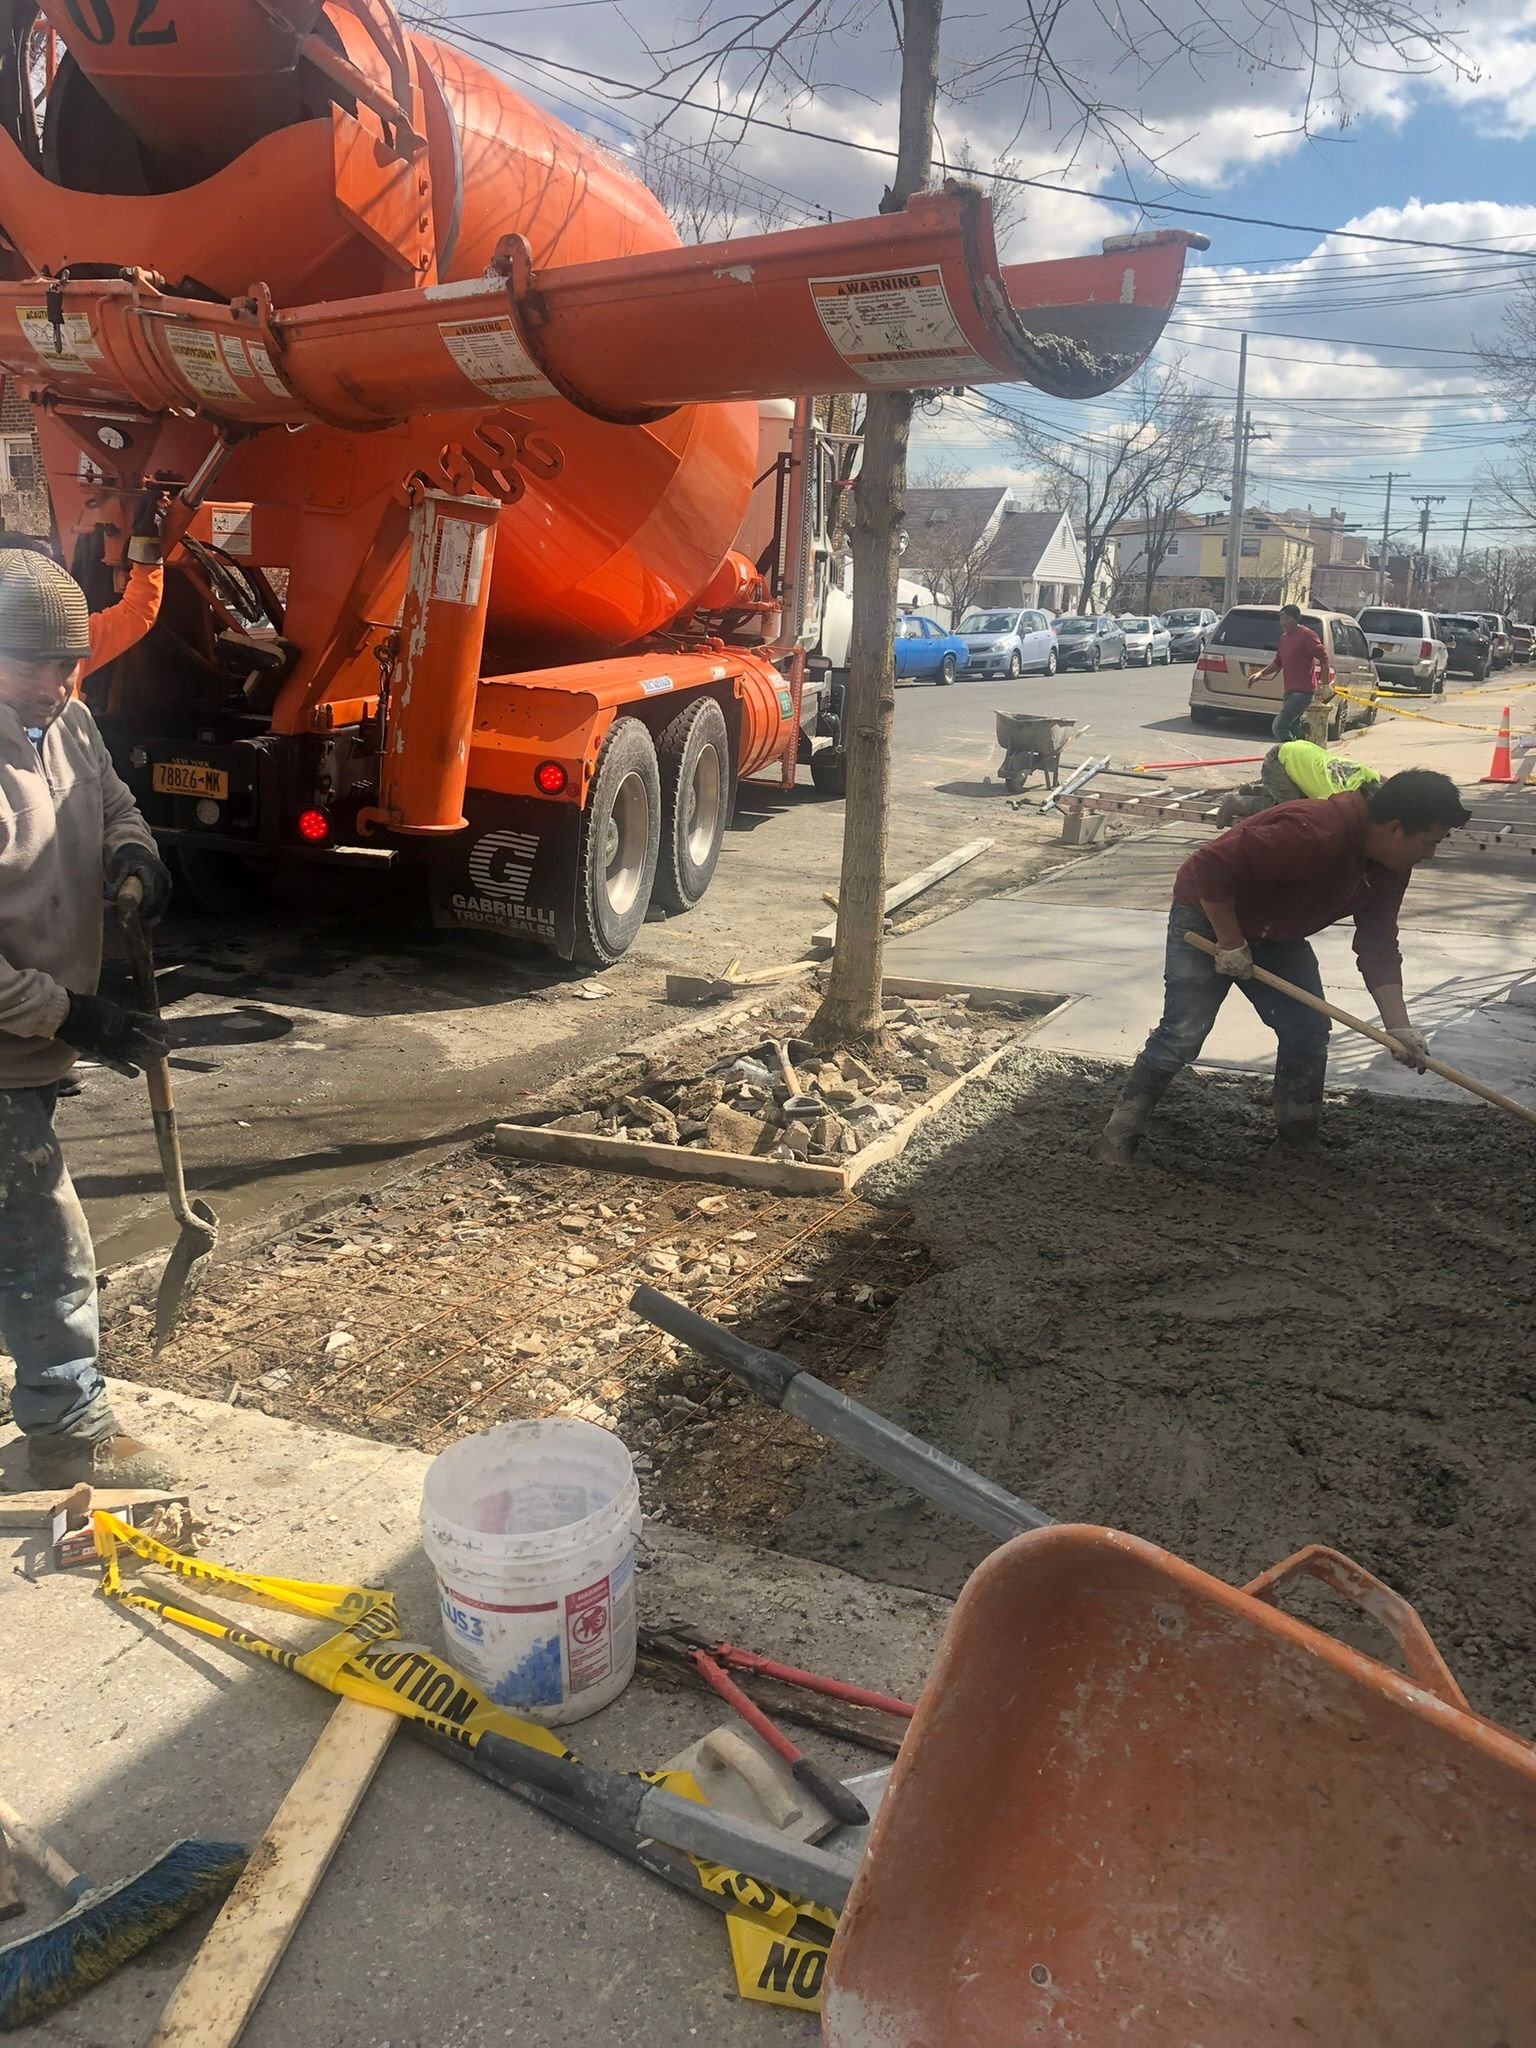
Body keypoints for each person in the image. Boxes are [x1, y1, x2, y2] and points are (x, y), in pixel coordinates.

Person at [0, 548, 178, 1485]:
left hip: (34, 1041)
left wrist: (132, 858)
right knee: (43, 1232)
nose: (55, 684)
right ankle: (67, 1424)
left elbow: (111, 801)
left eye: (68, 664)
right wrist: (77, 1018)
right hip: (7, 1041)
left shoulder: (68, 723)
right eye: (32, 663)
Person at [1094, 768, 1472, 1164]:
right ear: (1396, 829)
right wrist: (1230, 942)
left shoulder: (1390, 868)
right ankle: (1118, 1135)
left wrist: (1399, 1027)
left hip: (1277, 933)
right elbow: (1209, 868)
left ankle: (1298, 1140)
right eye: (1429, 842)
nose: (1430, 854)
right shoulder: (1314, 830)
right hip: (1208, 916)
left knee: (1307, 1032)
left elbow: (1377, 944)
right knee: (1183, 1034)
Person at [1255, 603, 1327, 743]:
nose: (1283, 622)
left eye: (1287, 619)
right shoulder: (1284, 638)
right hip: (1289, 690)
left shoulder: (1307, 635)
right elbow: (1278, 662)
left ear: (1296, 619)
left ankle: (1293, 752)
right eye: (1281, 619)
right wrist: (1261, 674)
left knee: (1280, 726)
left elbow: (1323, 657)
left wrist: (1324, 684)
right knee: (1294, 726)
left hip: (1304, 691)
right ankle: (1305, 750)